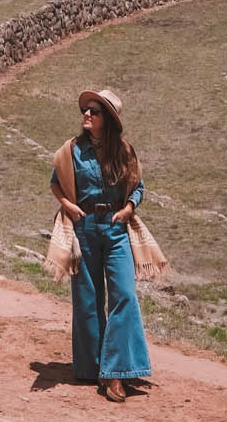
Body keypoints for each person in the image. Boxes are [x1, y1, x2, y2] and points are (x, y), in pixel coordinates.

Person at [48, 89, 155, 401]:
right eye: (87, 110)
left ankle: (116, 374)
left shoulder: (123, 151)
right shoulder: (70, 151)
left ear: (107, 119)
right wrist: (67, 205)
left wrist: (128, 209)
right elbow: (55, 181)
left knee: (124, 295)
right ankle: (92, 367)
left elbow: (138, 187)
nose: (88, 115)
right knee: (87, 300)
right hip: (84, 228)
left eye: (95, 111)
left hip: (114, 228)